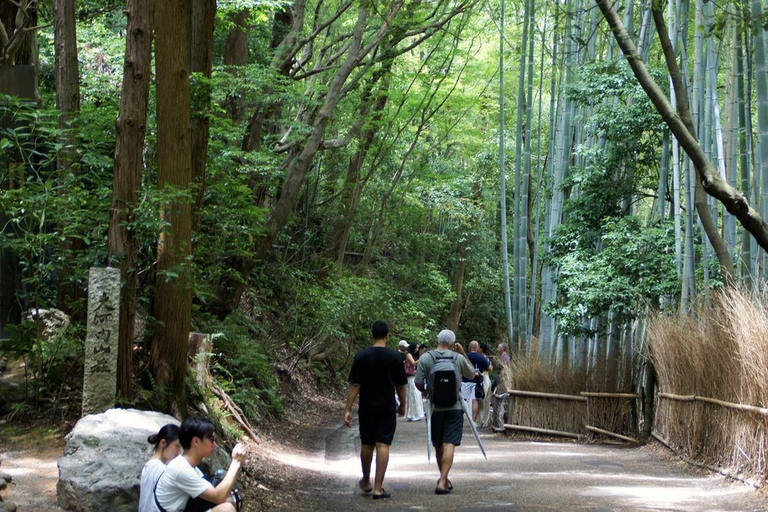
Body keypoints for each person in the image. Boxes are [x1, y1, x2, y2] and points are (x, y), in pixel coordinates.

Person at [344, 321, 407, 500]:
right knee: (383, 445)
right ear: (387, 336)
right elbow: (401, 386)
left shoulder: (362, 356)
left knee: (367, 444)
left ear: (372, 335)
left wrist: (348, 409)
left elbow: (355, 384)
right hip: (387, 406)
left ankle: (366, 481)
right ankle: (378, 488)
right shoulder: (396, 357)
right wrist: (403, 404)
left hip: (367, 406)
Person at [415, 329, 477, 495]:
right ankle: (443, 480)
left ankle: (442, 478)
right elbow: (472, 375)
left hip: (435, 408)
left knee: (438, 444)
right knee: (449, 443)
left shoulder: (426, 358)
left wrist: (427, 392)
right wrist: (463, 352)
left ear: (438, 339)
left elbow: (418, 382)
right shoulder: (457, 358)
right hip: (455, 407)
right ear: (452, 343)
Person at [154, 416, 246, 512]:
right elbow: (219, 496)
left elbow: (219, 494)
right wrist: (236, 462)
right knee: (227, 509)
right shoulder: (181, 470)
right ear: (196, 441)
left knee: (231, 501)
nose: (214, 444)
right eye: (211, 439)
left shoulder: (187, 465)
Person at [139, 424, 182, 512]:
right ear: (163, 443)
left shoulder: (148, 466)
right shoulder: (160, 470)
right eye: (177, 446)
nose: (179, 452)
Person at [461, 340, 491, 422]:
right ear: (477, 348)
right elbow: (489, 368)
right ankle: (473, 420)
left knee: (463, 399)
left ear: (469, 348)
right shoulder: (481, 357)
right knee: (475, 400)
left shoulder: (464, 356)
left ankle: (460, 418)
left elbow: (460, 367)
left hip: (465, 381)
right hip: (477, 382)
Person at [404, 342, 424, 421]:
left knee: (417, 395)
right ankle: (412, 415)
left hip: (415, 377)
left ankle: (417, 414)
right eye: (416, 347)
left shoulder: (416, 356)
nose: (417, 349)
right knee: (413, 395)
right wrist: (422, 358)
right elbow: (414, 363)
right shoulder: (409, 355)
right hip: (411, 378)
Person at [476, 343, 494, 428]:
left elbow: (489, 368)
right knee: (484, 400)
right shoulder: (485, 357)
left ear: (481, 349)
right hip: (486, 378)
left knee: (483, 400)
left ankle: (482, 420)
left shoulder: (483, 357)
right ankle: (483, 420)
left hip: (484, 378)